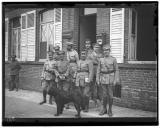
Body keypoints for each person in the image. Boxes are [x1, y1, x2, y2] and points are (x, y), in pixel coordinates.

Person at [96, 44, 118, 117]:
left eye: (107, 50)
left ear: (109, 51)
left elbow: (116, 70)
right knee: (104, 96)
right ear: (103, 51)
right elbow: (98, 70)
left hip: (111, 79)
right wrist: (97, 79)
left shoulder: (113, 59)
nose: (106, 51)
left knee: (111, 96)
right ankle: (104, 109)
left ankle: (110, 109)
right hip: (103, 79)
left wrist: (115, 80)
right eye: (104, 50)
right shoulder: (101, 59)